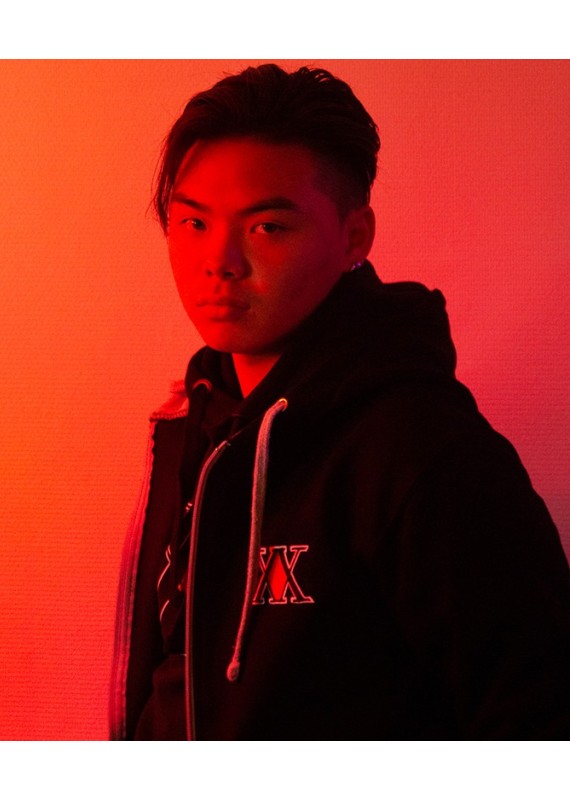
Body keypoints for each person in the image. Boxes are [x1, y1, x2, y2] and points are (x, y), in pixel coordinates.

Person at [109, 64, 570, 740]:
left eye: (267, 228)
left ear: (354, 237)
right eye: (193, 222)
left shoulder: (423, 451)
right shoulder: (193, 426)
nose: (220, 260)